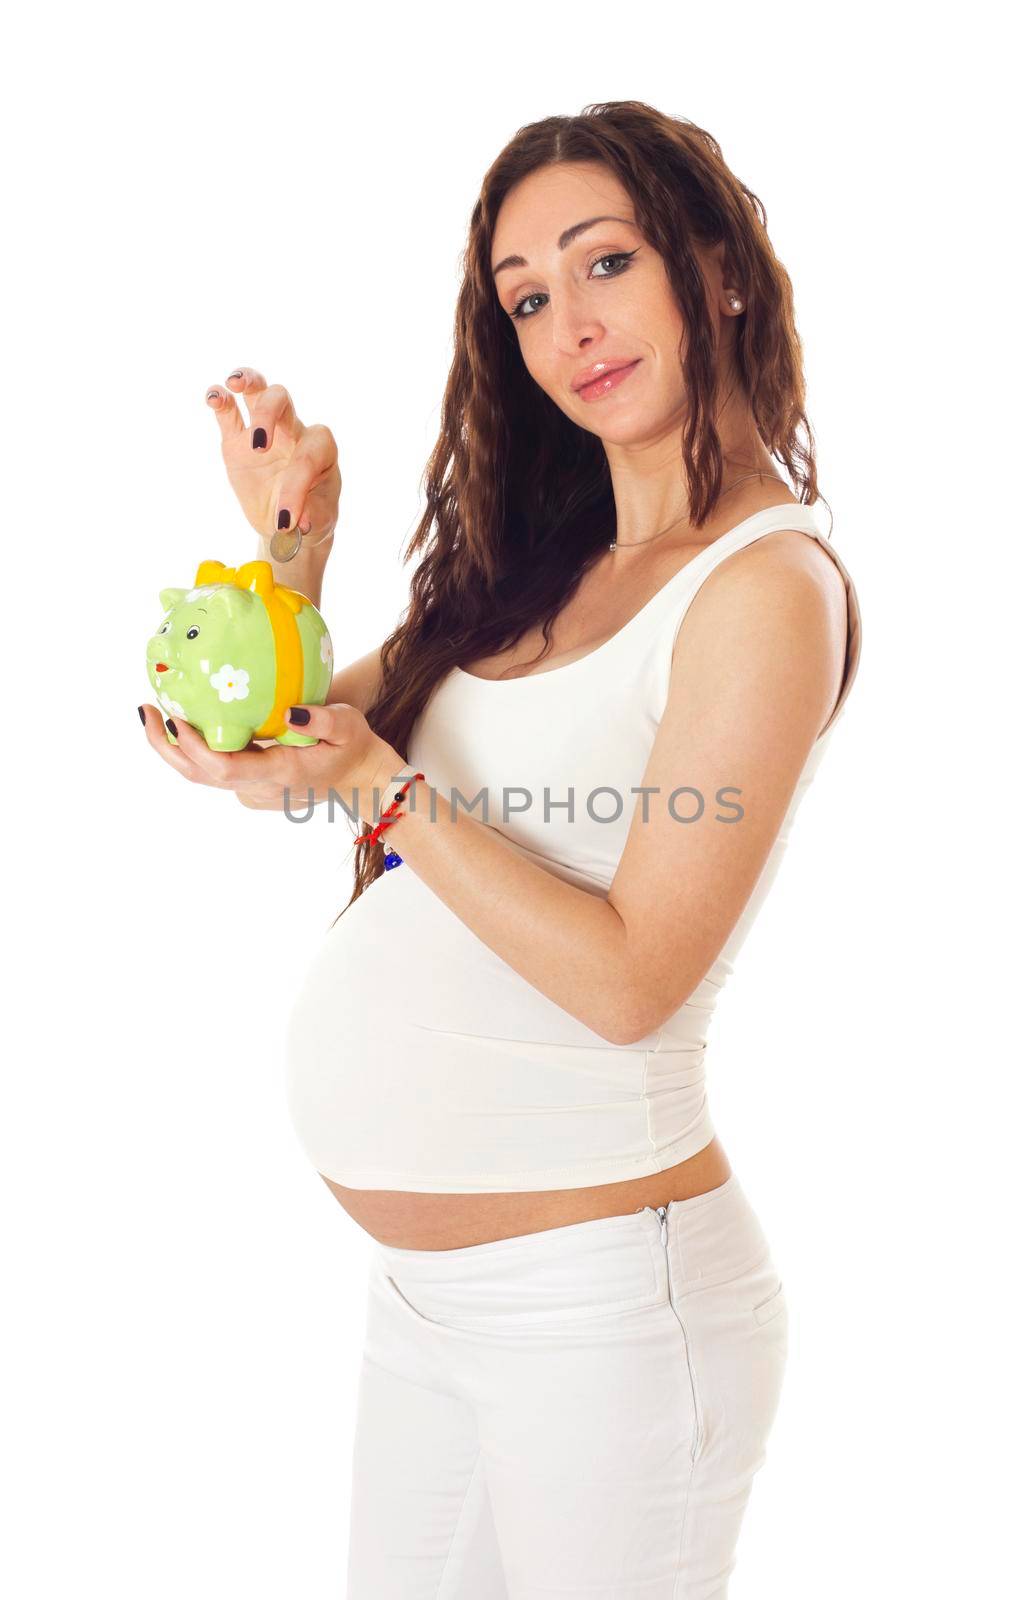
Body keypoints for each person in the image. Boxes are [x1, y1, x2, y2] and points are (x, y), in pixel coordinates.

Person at [141, 101, 862, 1599]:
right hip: (428, 1301)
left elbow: (632, 979)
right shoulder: (542, 565)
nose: (570, 325)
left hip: (604, 1313)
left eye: (606, 264)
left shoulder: (764, 589)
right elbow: (285, 760)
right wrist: (291, 551)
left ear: (715, 269)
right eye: (529, 298)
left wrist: (386, 794)